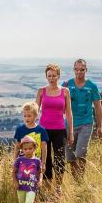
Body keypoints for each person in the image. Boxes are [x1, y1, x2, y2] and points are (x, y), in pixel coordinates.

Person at [36, 63, 73, 194]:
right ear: (46, 77)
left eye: (54, 76)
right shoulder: (41, 91)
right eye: (49, 76)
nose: (51, 78)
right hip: (44, 130)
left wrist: (71, 132)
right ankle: (46, 188)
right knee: (45, 159)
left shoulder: (65, 91)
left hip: (60, 129)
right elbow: (35, 111)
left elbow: (68, 113)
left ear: (58, 76)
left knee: (60, 159)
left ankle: (58, 188)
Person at [63, 59, 102, 177]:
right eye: (76, 69)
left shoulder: (92, 86)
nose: (79, 72)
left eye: (82, 69)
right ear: (74, 70)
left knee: (81, 153)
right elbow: (58, 100)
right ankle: (76, 180)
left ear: (86, 70)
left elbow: (98, 106)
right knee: (70, 156)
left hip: (86, 123)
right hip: (69, 125)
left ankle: (80, 180)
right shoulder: (66, 85)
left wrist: (99, 126)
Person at [13, 136, 43, 203]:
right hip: (21, 186)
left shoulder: (37, 161)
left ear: (34, 148)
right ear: (22, 149)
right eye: (25, 149)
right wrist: (15, 182)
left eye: (30, 148)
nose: (28, 151)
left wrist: (40, 180)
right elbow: (13, 172)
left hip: (31, 187)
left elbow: (40, 172)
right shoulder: (19, 160)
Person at [13, 101, 48, 168]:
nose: (26, 118)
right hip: (22, 162)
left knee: (37, 178)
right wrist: (15, 161)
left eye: (29, 116)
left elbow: (44, 148)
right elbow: (17, 146)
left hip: (37, 163)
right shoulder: (20, 129)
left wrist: (43, 163)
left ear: (36, 116)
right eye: (25, 116)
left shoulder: (41, 130)